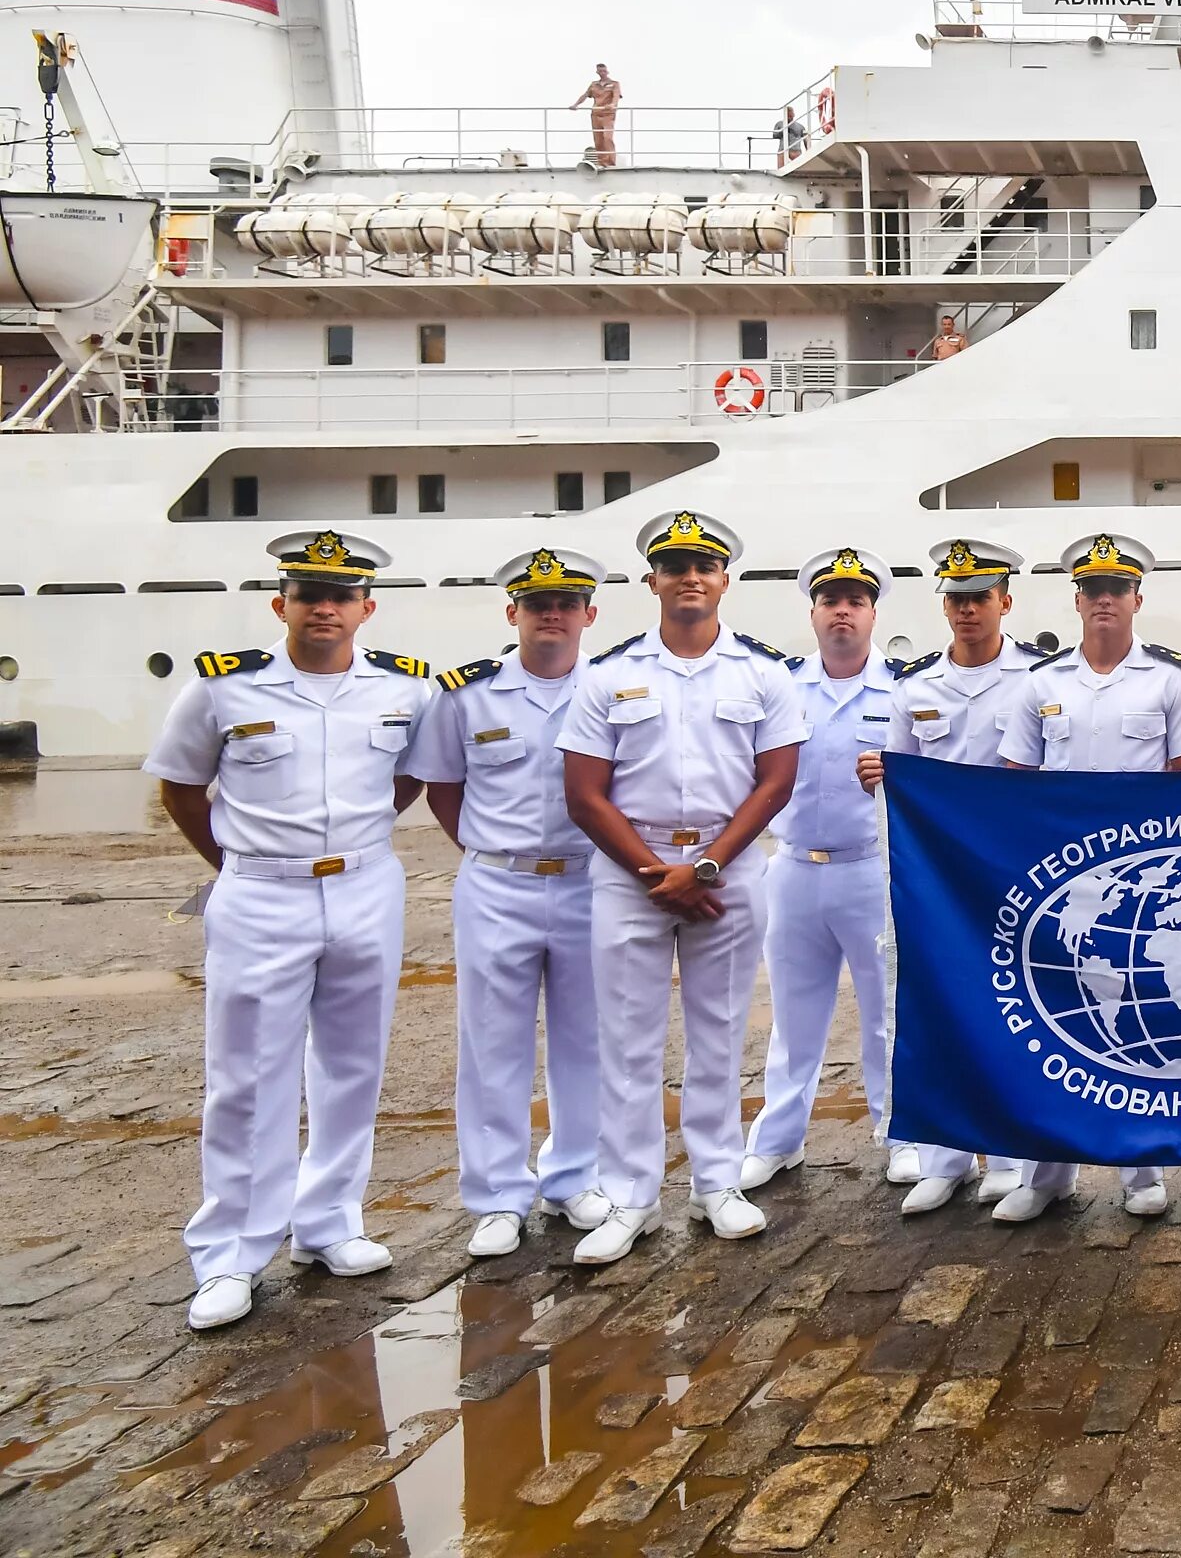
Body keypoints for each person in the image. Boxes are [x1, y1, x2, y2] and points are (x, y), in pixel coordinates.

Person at [145, 530, 438, 1331]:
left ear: (366, 608)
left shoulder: (404, 690)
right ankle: (231, 1254)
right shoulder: (222, 689)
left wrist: (353, 846)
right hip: (260, 896)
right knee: (247, 1075)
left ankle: (329, 1222)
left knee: (352, 1064)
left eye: (342, 595)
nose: (325, 608)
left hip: (365, 888)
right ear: (282, 604)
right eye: (310, 594)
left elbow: (410, 777)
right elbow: (181, 789)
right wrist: (240, 862)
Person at [557, 510, 807, 1264]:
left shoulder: (764, 673)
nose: (689, 577)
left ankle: (717, 1183)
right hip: (631, 875)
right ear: (652, 581)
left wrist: (704, 869)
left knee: (720, 1033)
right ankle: (632, 1196)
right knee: (627, 1044)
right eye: (674, 566)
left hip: (725, 874)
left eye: (704, 566)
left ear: (724, 579)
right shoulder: (609, 676)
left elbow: (777, 782)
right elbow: (585, 794)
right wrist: (656, 875)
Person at [993, 531, 1181, 1223]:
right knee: (1052, 1020)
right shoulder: (1041, 685)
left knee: (1132, 1020)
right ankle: (1044, 1174)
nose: (1104, 600)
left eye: (1117, 588)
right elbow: (1013, 786)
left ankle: (1139, 1167)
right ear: (1077, 600)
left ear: (1136, 599)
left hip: (1140, 887)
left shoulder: (1170, 682)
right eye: (1092, 589)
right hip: (1063, 890)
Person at [410, 544, 616, 1262]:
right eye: (536, 604)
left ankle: (574, 1177)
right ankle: (497, 1194)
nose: (551, 614)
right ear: (513, 613)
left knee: (586, 1039)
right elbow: (443, 786)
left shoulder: (615, 688)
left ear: (589, 614)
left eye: (565, 604)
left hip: (592, 878)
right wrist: (485, 849)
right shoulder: (466, 695)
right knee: (492, 1043)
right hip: (499, 883)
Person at [863, 538, 1056, 1213]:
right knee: (935, 1005)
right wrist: (879, 778)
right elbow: (898, 777)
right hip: (940, 884)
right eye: (956, 598)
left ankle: (1009, 1156)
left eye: (980, 597)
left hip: (1013, 874)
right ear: (943, 604)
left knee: (1017, 1009)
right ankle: (944, 1159)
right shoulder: (915, 688)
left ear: (1006, 601)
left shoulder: (1037, 681)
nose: (968, 609)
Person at [740, 549, 911, 1203]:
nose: (843, 611)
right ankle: (778, 1141)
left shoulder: (901, 693)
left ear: (872, 614)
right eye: (831, 600)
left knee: (885, 1013)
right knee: (794, 1014)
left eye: (855, 601)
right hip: (794, 869)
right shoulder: (780, 689)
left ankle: (901, 1137)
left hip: (869, 868)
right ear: (813, 612)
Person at [571, 63, 623, 168]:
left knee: (607, 137)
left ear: (607, 71)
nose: (602, 73)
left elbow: (616, 96)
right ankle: (601, 162)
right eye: (600, 71)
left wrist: (612, 105)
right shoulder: (594, 85)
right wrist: (576, 104)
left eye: (604, 71)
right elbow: (585, 95)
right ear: (597, 72)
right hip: (596, 114)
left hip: (608, 114)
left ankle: (610, 162)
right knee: (598, 139)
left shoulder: (614, 84)